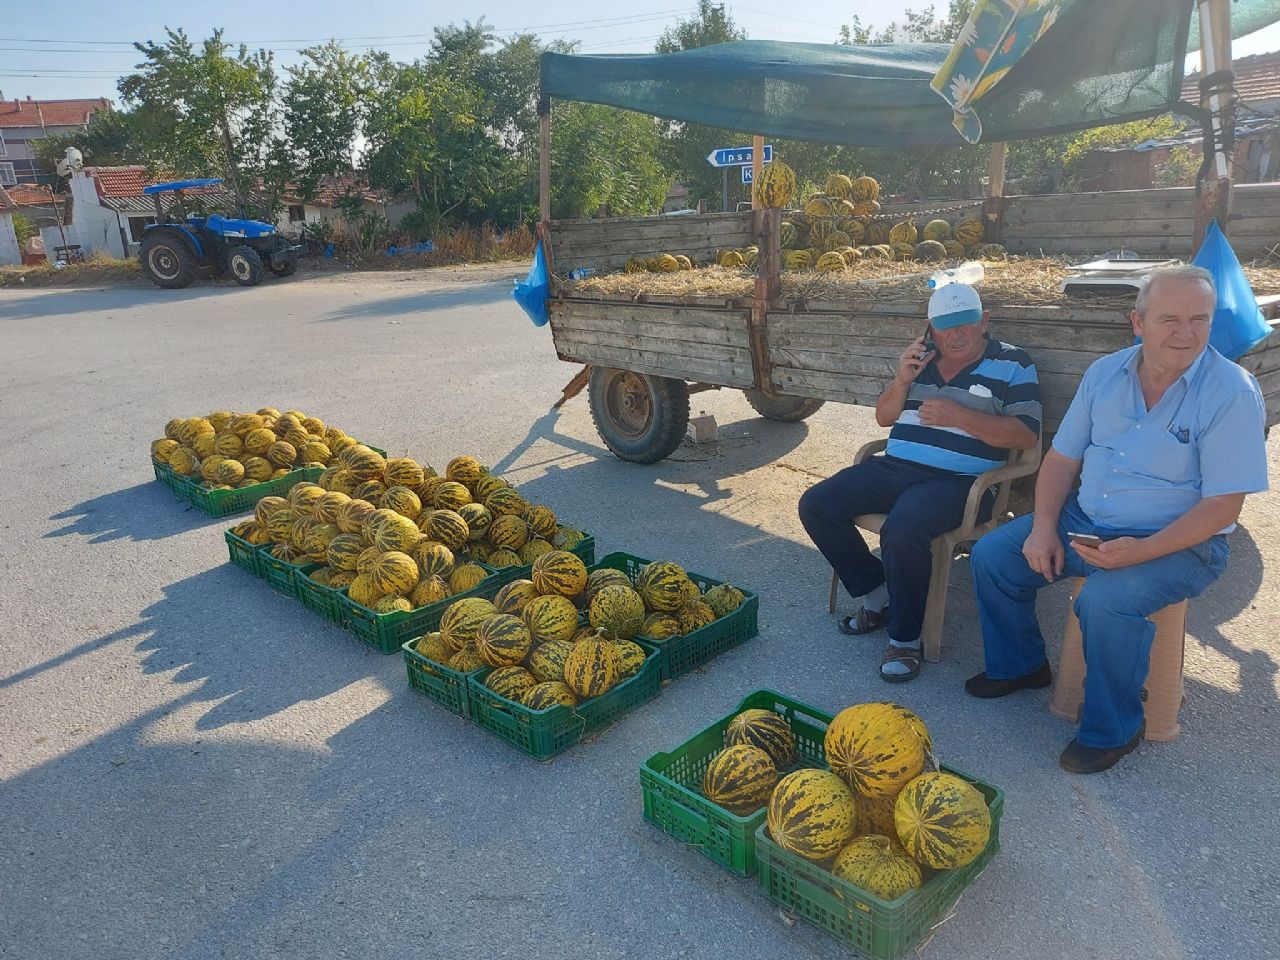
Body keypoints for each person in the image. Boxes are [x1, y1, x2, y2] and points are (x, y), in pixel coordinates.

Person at [966, 265, 1268, 774]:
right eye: (1169, 319)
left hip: (1182, 542)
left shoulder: (1231, 392)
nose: (1186, 332)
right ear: (1138, 322)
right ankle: (1021, 665)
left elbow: (1223, 508)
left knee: (1106, 602)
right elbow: (1061, 460)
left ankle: (1115, 728)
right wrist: (1042, 527)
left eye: (1200, 319)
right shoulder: (1104, 373)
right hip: (1089, 518)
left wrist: (1139, 553)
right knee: (995, 555)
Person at [798, 283, 1041, 682]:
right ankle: (879, 594)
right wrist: (901, 380)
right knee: (817, 504)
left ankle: (905, 639)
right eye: (945, 328)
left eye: (965, 324)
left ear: (984, 321)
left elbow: (1025, 437)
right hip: (896, 467)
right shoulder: (921, 360)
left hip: (963, 480)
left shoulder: (1013, 363)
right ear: (930, 328)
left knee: (904, 529)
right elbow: (883, 418)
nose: (956, 336)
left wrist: (959, 417)